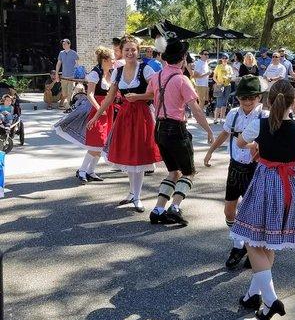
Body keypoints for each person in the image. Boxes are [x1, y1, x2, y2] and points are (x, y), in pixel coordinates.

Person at [231, 79, 295, 320]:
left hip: (265, 182)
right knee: (269, 242)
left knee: (251, 241)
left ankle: (270, 299)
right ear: (294, 101)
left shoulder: (258, 125)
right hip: (290, 186)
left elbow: (240, 142)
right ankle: (252, 295)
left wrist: (254, 144)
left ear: (269, 101)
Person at [126, 38, 214, 226]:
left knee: (173, 172)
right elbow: (196, 109)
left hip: (158, 128)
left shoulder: (157, 76)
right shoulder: (182, 80)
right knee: (188, 172)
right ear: (182, 58)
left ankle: (158, 210)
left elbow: (151, 94)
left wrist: (135, 97)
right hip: (176, 129)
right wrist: (208, 130)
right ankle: (174, 208)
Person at [87, 36, 161, 211]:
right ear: (121, 51)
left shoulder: (146, 69)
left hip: (142, 115)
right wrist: (96, 116)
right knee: (129, 154)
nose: (130, 53)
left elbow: (157, 93)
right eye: (126, 50)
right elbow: (109, 97)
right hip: (125, 116)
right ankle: (131, 193)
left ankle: (138, 196)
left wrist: (138, 97)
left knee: (140, 155)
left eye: (133, 49)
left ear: (138, 51)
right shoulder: (117, 71)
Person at [204, 75, 267, 269]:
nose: (247, 101)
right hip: (235, 167)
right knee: (229, 210)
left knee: (252, 213)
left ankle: (253, 246)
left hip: (255, 169)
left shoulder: (264, 116)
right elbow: (224, 133)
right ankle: (240, 244)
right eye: (243, 98)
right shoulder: (233, 114)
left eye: (252, 97)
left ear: (259, 98)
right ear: (237, 98)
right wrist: (210, 151)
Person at [54, 47, 115, 183]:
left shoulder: (110, 72)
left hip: (108, 109)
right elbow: (90, 94)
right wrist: (100, 109)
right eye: (112, 59)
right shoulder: (95, 73)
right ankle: (82, 170)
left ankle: (90, 171)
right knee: (96, 142)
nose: (114, 61)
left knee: (102, 143)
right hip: (96, 108)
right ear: (105, 60)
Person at [55, 38, 79, 109]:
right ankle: (67, 105)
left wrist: (76, 75)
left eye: (65, 44)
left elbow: (77, 65)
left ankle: (68, 107)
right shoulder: (61, 53)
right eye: (63, 44)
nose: (63, 45)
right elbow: (59, 63)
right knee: (64, 93)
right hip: (64, 77)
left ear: (69, 44)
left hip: (71, 77)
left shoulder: (74, 53)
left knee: (69, 92)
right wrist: (56, 74)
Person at [213, 53, 233, 124]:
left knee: (225, 103)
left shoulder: (229, 67)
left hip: (227, 86)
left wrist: (228, 78)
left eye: (226, 58)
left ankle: (222, 119)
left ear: (228, 59)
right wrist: (218, 82)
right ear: (221, 59)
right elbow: (214, 77)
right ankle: (215, 119)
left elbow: (231, 77)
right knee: (218, 102)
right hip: (220, 86)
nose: (224, 59)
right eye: (223, 58)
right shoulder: (218, 66)